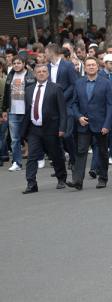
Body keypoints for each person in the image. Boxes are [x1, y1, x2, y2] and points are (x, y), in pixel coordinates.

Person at [66, 57, 112, 190]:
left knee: (103, 152)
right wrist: (78, 117)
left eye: (93, 65)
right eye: (89, 65)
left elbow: (110, 105)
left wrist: (107, 124)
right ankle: (77, 180)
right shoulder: (79, 83)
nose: (91, 67)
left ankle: (103, 178)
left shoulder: (105, 83)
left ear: (97, 67)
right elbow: (74, 103)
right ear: (85, 68)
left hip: (101, 124)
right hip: (84, 124)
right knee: (81, 151)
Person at [19, 64, 67, 194]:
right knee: (32, 157)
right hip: (34, 129)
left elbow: (62, 110)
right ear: (34, 74)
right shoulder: (29, 89)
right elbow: (28, 110)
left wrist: (62, 127)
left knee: (56, 155)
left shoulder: (56, 88)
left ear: (48, 74)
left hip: (51, 128)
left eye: (44, 71)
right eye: (38, 72)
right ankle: (31, 184)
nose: (41, 73)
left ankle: (61, 178)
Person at [45, 44, 78, 170]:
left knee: (67, 134)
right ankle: (60, 164)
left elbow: (74, 84)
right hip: (52, 106)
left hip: (67, 104)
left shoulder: (68, 65)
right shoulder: (47, 67)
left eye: (46, 53)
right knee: (54, 136)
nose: (44, 55)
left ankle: (74, 158)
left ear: (52, 53)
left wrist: (62, 97)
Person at [3, 56, 35, 172]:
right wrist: (3, 110)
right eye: (14, 63)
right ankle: (16, 162)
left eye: (18, 63)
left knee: (32, 137)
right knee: (15, 139)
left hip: (27, 112)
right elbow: (6, 94)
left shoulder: (31, 75)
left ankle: (39, 158)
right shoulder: (10, 76)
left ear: (24, 64)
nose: (16, 65)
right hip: (13, 112)